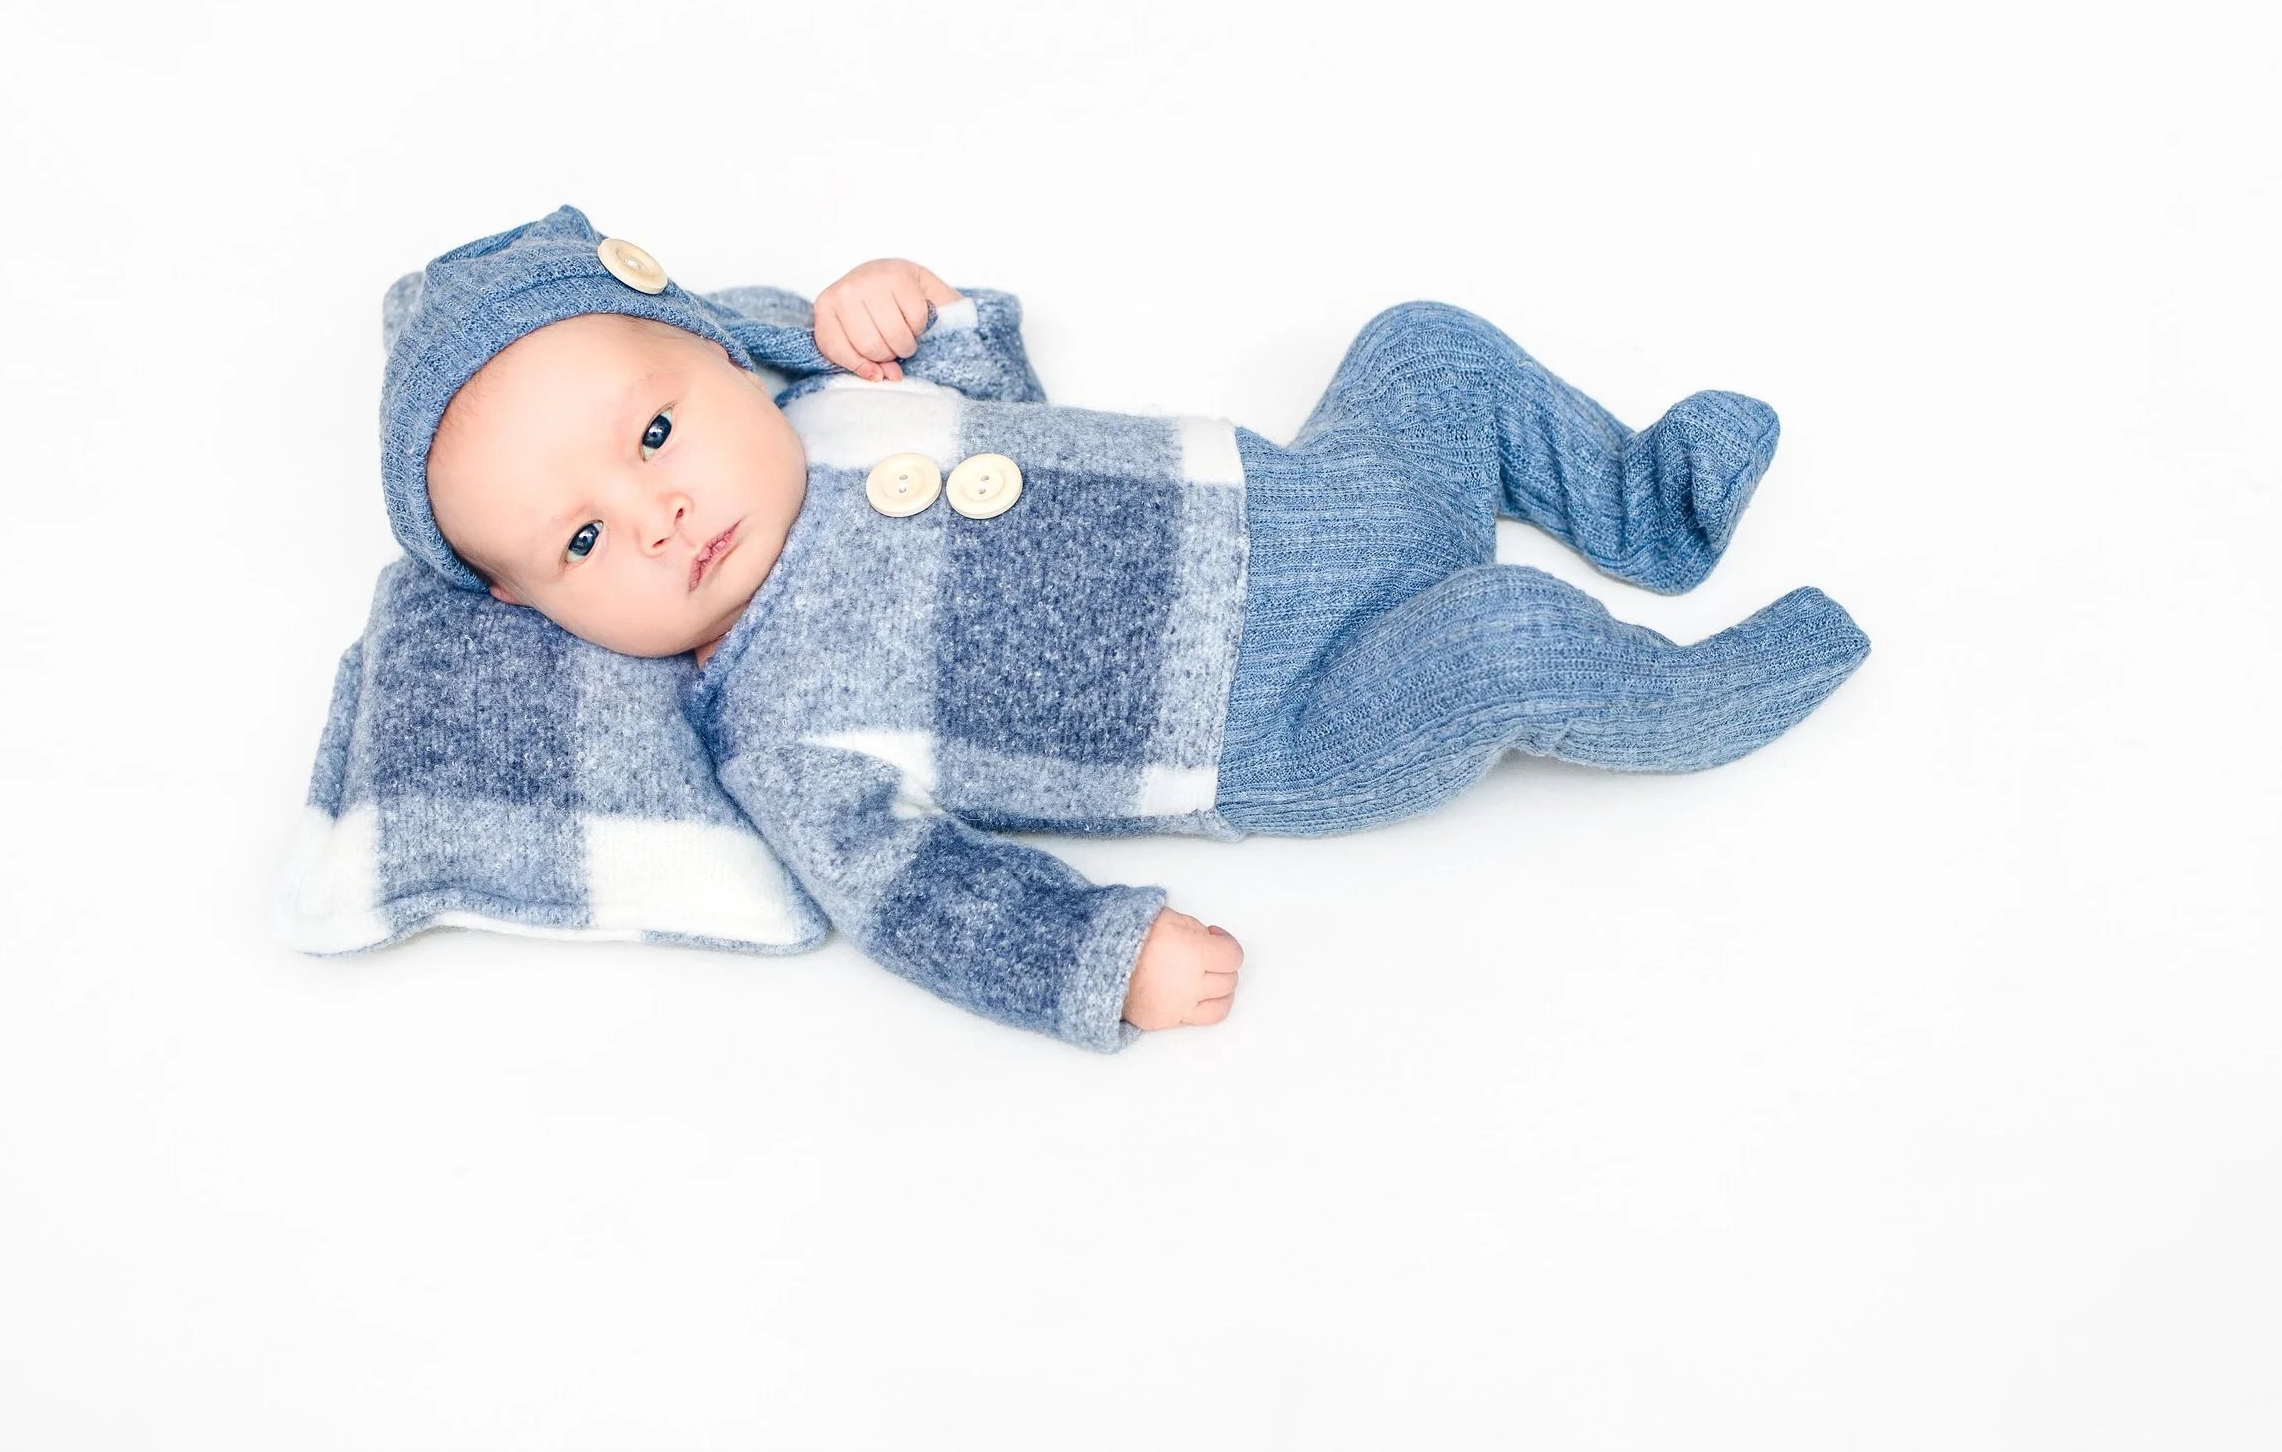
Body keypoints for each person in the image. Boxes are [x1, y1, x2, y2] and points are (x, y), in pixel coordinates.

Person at [378, 205, 1871, 1053]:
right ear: (536, 605)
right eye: (583, 542)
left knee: (1424, 346)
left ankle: (1646, 504)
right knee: (1504, 643)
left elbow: (1007, 403)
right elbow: (912, 895)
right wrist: (1099, 957)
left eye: (654, 433)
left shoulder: (832, 406)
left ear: (720, 356)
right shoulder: (772, 724)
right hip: (1286, 715)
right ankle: (1699, 690)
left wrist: (916, 319)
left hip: (1316, 499)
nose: (655, 517)